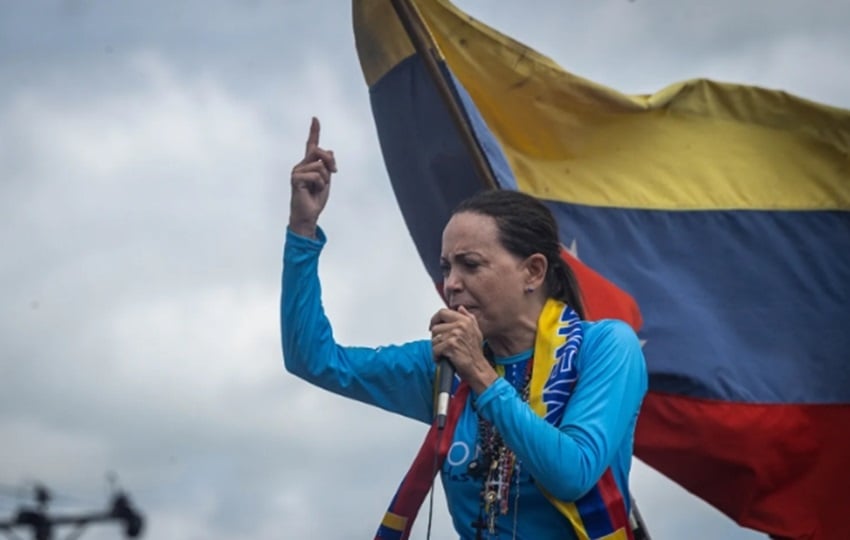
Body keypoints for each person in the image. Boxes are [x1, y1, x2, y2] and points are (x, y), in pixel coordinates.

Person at [281, 117, 648, 540]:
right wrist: (302, 230)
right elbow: (312, 359)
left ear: (532, 271)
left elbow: (572, 474)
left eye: (470, 265)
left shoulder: (605, 348)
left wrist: (480, 374)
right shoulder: (443, 366)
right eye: (446, 267)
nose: (450, 283)